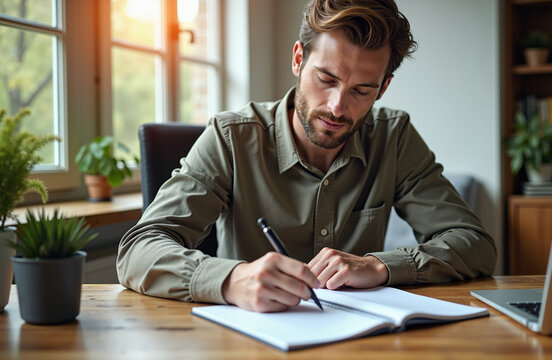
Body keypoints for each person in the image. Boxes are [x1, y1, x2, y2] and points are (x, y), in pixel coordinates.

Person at [117, 0, 496, 313]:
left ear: (384, 87)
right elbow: (138, 249)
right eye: (326, 79)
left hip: (361, 342)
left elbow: (474, 244)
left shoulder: (393, 136)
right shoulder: (231, 137)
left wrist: (380, 265)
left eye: (362, 90)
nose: (337, 107)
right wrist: (231, 280)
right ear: (298, 59)